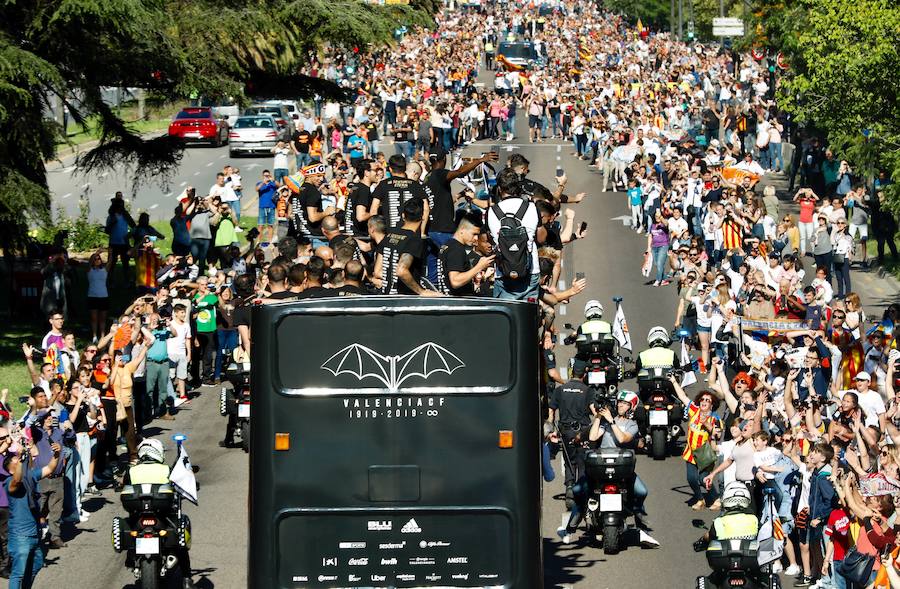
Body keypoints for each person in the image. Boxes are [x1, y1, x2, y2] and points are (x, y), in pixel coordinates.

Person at [122, 439, 195, 589]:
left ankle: (131, 556)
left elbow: (124, 486)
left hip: (138, 514)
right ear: (158, 452)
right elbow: (178, 485)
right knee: (180, 536)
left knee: (131, 522)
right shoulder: (166, 469)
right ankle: (187, 579)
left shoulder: (131, 470)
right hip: (162, 513)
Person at [5, 439, 61, 589]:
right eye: (16, 461)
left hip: (33, 533)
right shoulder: (10, 482)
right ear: (11, 469)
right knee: (18, 573)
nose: (21, 461)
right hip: (20, 536)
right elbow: (17, 479)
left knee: (36, 564)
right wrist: (23, 458)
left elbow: (49, 468)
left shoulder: (30, 476)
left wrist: (57, 454)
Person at [693, 482, 763, 586]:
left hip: (724, 565)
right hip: (750, 563)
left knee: (709, 581)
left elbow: (710, 536)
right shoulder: (754, 519)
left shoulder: (719, 521)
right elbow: (763, 536)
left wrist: (700, 542)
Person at [256, 170, 278, 244]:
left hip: (271, 207)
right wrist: (263, 182)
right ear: (262, 176)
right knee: (260, 225)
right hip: (262, 207)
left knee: (270, 225)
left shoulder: (273, 184)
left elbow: (279, 185)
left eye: (268, 175)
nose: (267, 177)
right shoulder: (260, 184)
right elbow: (257, 189)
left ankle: (270, 241)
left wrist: (273, 180)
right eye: (265, 175)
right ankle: (258, 241)